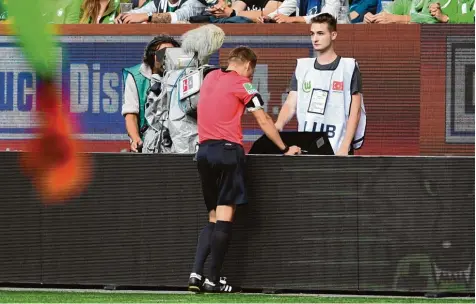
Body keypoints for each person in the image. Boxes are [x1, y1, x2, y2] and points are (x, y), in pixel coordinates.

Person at [187, 46, 301, 293]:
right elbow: (262, 119)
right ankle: (213, 279)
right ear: (248, 66)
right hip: (228, 153)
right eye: (252, 72)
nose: (250, 77)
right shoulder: (245, 85)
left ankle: (195, 274)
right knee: (226, 217)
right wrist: (283, 148)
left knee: (213, 217)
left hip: (203, 153)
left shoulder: (209, 78)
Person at [275, 13, 366, 155]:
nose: (315, 38)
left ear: (333, 35)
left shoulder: (348, 67)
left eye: (320, 33)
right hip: (307, 145)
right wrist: (278, 125)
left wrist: (345, 145)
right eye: (312, 34)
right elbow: (290, 104)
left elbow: (355, 110)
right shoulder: (303, 67)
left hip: (338, 146)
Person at [121, 35, 180, 152]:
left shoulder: (182, 75)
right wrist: (135, 138)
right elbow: (131, 114)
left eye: (172, 53)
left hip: (177, 142)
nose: (167, 58)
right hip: (148, 141)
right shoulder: (135, 76)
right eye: (163, 53)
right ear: (152, 56)